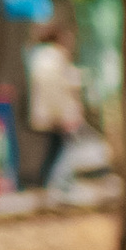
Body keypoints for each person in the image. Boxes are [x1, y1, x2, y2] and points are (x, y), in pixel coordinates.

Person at [26, 30, 87, 198]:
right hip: (57, 113)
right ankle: (59, 185)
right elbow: (57, 89)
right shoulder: (55, 57)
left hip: (48, 112)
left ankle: (46, 183)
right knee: (63, 148)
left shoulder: (38, 56)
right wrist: (63, 114)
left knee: (55, 148)